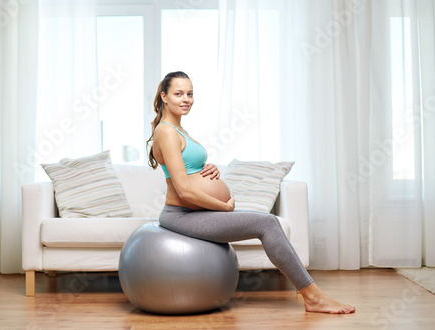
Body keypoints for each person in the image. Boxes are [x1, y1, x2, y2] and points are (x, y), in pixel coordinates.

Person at [146, 71, 356, 314]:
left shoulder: (178, 130)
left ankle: (313, 296)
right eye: (178, 94)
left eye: (190, 94)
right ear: (164, 96)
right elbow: (183, 191)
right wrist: (223, 206)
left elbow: (187, 171)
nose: (186, 99)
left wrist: (206, 168)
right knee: (266, 223)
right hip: (180, 215)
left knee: (267, 223)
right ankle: (313, 298)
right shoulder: (166, 131)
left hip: (194, 213)